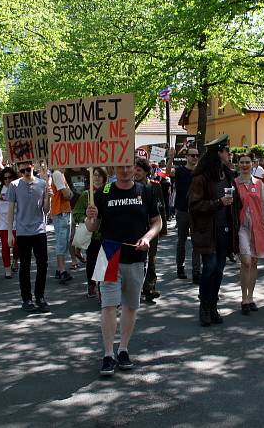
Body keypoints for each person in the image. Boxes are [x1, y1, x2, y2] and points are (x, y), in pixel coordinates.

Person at [85, 164, 162, 376]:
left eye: (130, 167)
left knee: (130, 305)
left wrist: (147, 238)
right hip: (108, 253)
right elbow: (92, 227)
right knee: (108, 305)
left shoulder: (144, 191)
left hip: (136, 255)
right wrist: (90, 217)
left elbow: (157, 222)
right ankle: (108, 354)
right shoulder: (103, 192)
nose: (126, 171)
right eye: (121, 167)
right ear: (114, 168)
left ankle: (123, 349)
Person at [189, 134, 239, 326]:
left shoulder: (227, 175)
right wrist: (218, 203)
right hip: (207, 231)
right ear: (218, 153)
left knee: (218, 270)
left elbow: (235, 202)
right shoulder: (200, 178)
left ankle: (212, 305)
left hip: (224, 230)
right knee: (209, 268)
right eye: (227, 151)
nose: (230, 154)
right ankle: (204, 307)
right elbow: (194, 205)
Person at [7, 160, 52, 312]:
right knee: (24, 266)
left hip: (39, 230)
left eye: (28, 168)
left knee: (43, 264)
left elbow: (45, 211)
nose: (26, 171)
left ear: (33, 166)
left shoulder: (42, 184)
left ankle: (40, 296)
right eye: (23, 169)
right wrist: (9, 233)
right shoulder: (14, 185)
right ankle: (26, 298)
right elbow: (11, 210)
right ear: (19, 169)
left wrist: (48, 198)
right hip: (23, 232)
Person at [234, 151, 264, 314]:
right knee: (246, 261)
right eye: (241, 162)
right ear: (238, 164)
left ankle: (250, 297)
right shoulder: (234, 183)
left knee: (255, 262)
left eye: (247, 162)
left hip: (257, 226)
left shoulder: (259, 183)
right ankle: (244, 298)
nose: (244, 165)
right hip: (242, 227)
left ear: (253, 164)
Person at [133, 157, 167, 304]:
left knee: (152, 259)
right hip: (136, 227)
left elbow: (161, 206)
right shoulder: (131, 186)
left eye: (139, 170)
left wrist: (163, 227)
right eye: (135, 169)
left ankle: (149, 288)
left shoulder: (155, 185)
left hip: (152, 227)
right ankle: (134, 288)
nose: (135, 172)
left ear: (146, 172)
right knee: (137, 260)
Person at [73, 167, 108, 299]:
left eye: (100, 176)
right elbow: (76, 213)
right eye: (95, 175)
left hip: (106, 235)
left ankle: (102, 290)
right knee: (92, 262)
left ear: (104, 178)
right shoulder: (86, 195)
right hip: (92, 235)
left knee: (104, 263)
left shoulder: (109, 193)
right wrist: (86, 218)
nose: (97, 178)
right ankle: (91, 284)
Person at [168, 146, 200, 282]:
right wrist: (171, 157)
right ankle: (180, 267)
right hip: (182, 211)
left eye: (197, 155)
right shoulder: (180, 171)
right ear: (186, 157)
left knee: (196, 242)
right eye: (192, 155)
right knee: (181, 241)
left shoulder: (200, 172)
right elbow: (168, 172)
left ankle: (196, 271)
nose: (195, 158)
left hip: (197, 211)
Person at [0, 166, 19, 279]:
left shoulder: (18, 187)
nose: (7, 180)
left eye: (10, 177)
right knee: (6, 246)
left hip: (17, 221)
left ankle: (15, 260)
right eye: (5, 178)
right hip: (2, 222)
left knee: (16, 245)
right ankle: (7, 270)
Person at [51, 167, 74, 284]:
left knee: (64, 241)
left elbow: (69, 193)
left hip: (63, 211)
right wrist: (70, 193)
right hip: (60, 212)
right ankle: (61, 270)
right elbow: (67, 194)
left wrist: (69, 193)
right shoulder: (57, 174)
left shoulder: (60, 174)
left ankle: (59, 269)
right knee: (62, 241)